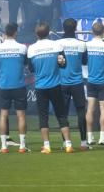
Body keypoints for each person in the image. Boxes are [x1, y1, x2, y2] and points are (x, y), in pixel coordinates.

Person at [28, 22, 73, 154]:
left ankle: (47, 146)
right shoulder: (57, 45)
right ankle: (68, 144)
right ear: (49, 33)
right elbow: (63, 64)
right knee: (61, 115)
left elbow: (30, 68)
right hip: (55, 85)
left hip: (41, 86)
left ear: (36, 34)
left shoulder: (31, 48)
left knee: (43, 117)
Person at [0, 23, 28, 153]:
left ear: (5, 33)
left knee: (3, 115)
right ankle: (22, 146)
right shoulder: (22, 48)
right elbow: (25, 64)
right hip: (19, 85)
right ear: (16, 32)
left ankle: (3, 146)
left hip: (4, 85)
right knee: (21, 116)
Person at [57, 18, 89, 150]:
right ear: (75, 28)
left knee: (62, 113)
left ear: (63, 28)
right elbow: (85, 61)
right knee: (81, 111)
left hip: (62, 82)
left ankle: (66, 142)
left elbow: (57, 61)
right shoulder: (81, 44)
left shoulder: (57, 44)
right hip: (77, 82)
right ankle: (83, 143)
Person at [84, 22, 104, 147]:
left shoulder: (87, 45)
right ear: (103, 32)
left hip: (91, 81)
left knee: (90, 109)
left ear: (92, 32)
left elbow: (85, 61)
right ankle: (102, 138)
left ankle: (90, 138)